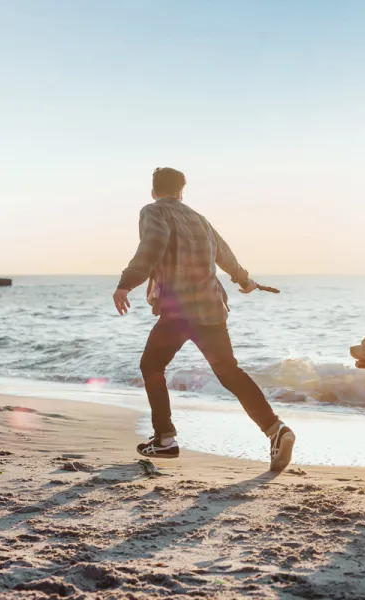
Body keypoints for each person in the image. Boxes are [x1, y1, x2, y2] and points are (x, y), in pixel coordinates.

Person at [113, 167, 295, 471]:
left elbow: (153, 245)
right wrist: (244, 279)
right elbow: (225, 254)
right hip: (211, 308)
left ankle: (165, 439)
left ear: (153, 191)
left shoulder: (153, 211)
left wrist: (126, 282)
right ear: (181, 192)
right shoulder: (199, 219)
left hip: (179, 309)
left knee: (151, 366)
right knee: (229, 372)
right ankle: (276, 430)